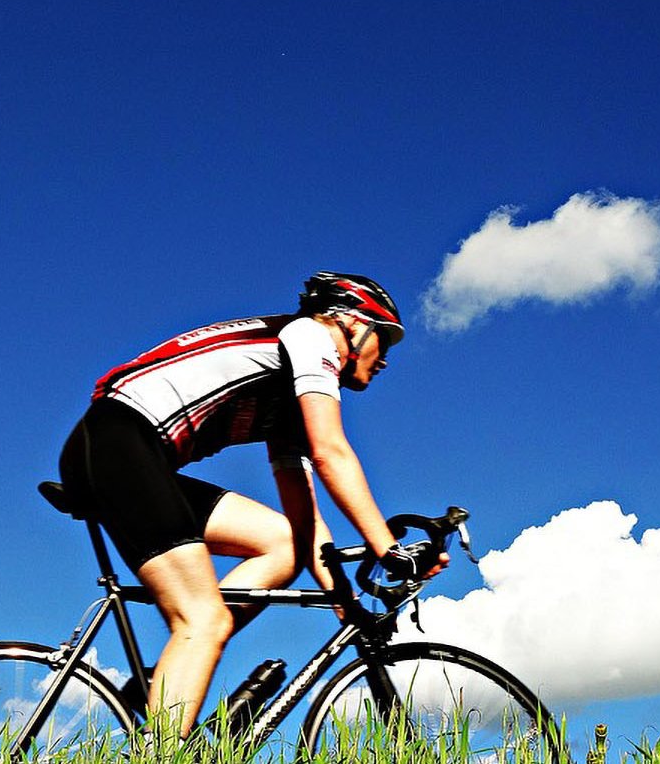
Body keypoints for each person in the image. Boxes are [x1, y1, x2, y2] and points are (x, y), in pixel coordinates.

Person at [56, 271, 445, 739]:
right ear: (351, 324)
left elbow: (305, 525)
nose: (385, 359)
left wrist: (344, 599)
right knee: (203, 619)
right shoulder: (311, 335)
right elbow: (331, 452)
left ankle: (167, 674)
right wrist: (388, 548)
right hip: (117, 441)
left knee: (281, 543)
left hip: (129, 451)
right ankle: (173, 705)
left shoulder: (286, 400)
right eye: (385, 340)